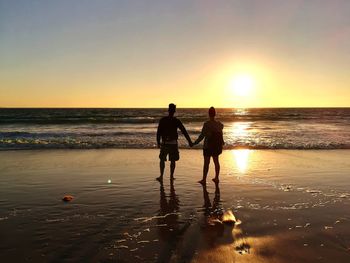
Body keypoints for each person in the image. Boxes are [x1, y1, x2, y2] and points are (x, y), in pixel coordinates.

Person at [156, 103, 193, 181]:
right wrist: (189, 141)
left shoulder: (163, 120)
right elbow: (184, 131)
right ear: (174, 111)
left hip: (165, 143)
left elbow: (158, 132)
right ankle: (171, 176)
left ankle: (161, 176)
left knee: (162, 160)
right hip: (173, 143)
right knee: (172, 161)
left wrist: (158, 142)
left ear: (168, 110)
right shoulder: (176, 121)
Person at [193, 107, 224, 184]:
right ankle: (216, 178)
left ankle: (204, 179)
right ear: (215, 114)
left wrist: (195, 143)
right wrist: (222, 142)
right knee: (216, 161)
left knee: (206, 163)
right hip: (216, 146)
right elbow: (221, 135)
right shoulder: (219, 125)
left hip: (208, 146)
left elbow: (202, 136)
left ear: (208, 114)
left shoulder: (206, 124)